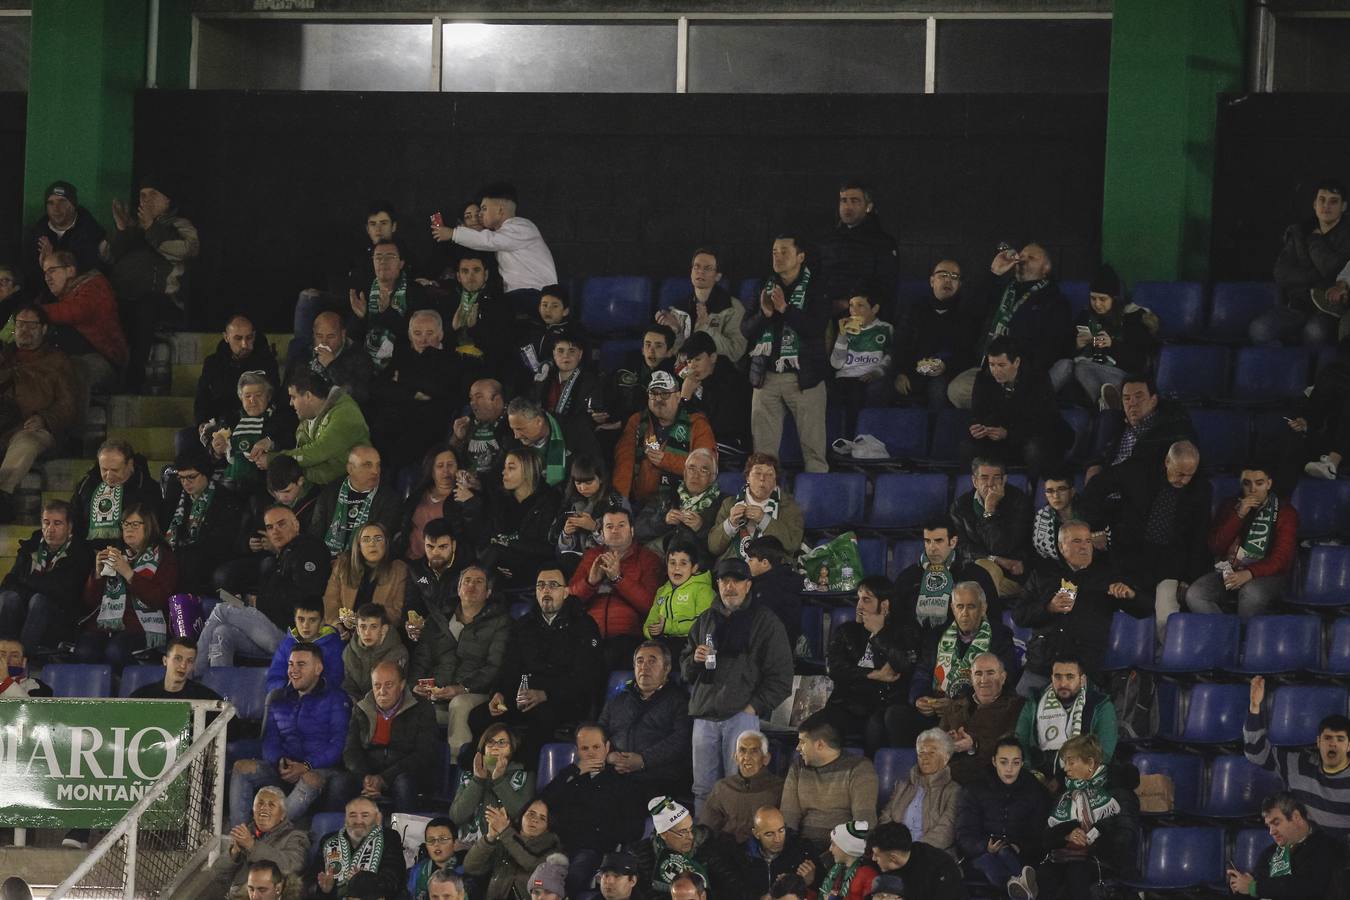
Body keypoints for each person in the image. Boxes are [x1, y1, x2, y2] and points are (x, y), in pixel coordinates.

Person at [684, 557, 794, 814]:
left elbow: (781, 675)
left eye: (736, 581)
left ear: (748, 585)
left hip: (740, 717)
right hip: (704, 715)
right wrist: (694, 660)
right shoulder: (704, 620)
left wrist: (753, 707)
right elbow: (685, 668)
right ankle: (705, 846)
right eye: (724, 580)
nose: (729, 587)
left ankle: (736, 846)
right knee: (703, 791)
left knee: (741, 787)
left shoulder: (766, 621)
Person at [474, 566, 605, 763]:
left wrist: (546, 694)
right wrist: (498, 693)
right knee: (479, 716)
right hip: (525, 696)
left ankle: (521, 775)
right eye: (541, 585)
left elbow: (586, 677)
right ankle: (482, 770)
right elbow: (510, 666)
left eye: (553, 585)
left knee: (541, 717)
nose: (546, 590)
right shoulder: (524, 625)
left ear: (566, 591)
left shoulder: (584, 625)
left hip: (565, 700)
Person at [1082, 441, 1210, 641]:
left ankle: (1165, 663)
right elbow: (1097, 485)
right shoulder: (1139, 471)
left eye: (1189, 475)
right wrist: (1096, 526)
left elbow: (1199, 536)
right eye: (1179, 473)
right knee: (1120, 610)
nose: (1184, 481)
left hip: (1168, 563)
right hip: (1129, 556)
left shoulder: (1200, 490)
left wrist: (1189, 577)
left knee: (1166, 615)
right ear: (1167, 461)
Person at [197, 505, 330, 673]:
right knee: (222, 633)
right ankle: (220, 691)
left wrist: (258, 601)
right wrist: (250, 600)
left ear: (296, 525)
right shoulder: (284, 555)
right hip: (270, 629)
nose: (275, 531)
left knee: (221, 610)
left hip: (291, 635)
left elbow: (304, 596)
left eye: (281, 524)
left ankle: (194, 670)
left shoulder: (308, 549)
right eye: (270, 527)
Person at [230, 642, 351, 826]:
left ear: (318, 668)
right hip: (284, 769)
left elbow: (338, 744)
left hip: (320, 771)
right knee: (241, 767)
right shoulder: (279, 697)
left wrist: (307, 765)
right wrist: (279, 761)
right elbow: (270, 740)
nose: (293, 670)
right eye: (290, 664)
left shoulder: (336, 698)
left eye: (301, 665)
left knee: (309, 778)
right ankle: (238, 836)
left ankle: (262, 833)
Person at [1014, 521, 1144, 692]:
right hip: (1042, 666)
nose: (1084, 547)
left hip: (1084, 670)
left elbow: (1144, 610)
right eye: (1077, 541)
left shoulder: (1106, 577)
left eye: (1088, 541)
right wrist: (1048, 608)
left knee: (1086, 715)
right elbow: (1019, 616)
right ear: (1061, 546)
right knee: (1019, 713)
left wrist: (1131, 595)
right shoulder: (1043, 574)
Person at [742, 234, 831, 472]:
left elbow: (815, 328)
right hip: (766, 377)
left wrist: (785, 309)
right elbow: (746, 329)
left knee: (814, 454)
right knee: (762, 456)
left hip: (804, 379)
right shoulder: (764, 285)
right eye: (774, 252)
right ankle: (764, 505)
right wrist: (765, 315)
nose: (778, 256)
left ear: (800, 257)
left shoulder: (816, 287)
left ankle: (816, 503)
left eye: (784, 251)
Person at [948, 242, 1071, 408]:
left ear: (1046, 268)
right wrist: (994, 273)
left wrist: (1017, 372)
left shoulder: (1055, 301)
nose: (1023, 260)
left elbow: (1052, 346)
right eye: (1022, 256)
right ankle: (1016, 405)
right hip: (988, 369)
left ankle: (1011, 404)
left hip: (1024, 373)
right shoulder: (1002, 289)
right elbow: (970, 310)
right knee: (956, 390)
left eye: (1032, 258)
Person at [893, 583, 1015, 749]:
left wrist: (956, 703)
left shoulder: (1000, 636)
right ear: (952, 608)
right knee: (893, 716)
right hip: (935, 708)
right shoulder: (937, 635)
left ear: (983, 608)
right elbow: (922, 672)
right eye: (960, 607)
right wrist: (919, 698)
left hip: (971, 711)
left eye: (971, 607)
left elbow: (1003, 680)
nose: (964, 613)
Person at [105, 175, 200, 388]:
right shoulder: (132, 227)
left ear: (167, 200)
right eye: (142, 195)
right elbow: (106, 255)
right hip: (124, 297)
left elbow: (188, 249)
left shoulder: (179, 225)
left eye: (152, 195)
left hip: (163, 302)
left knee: (145, 307)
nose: (145, 200)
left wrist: (151, 229)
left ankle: (134, 379)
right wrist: (121, 230)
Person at [409, 563, 510, 758]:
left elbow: (494, 667)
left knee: (459, 704)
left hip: (475, 693)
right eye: (467, 581)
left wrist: (462, 688)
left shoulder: (499, 622)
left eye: (479, 582)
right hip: (436, 694)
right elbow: (421, 659)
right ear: (458, 588)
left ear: (488, 592)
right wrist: (416, 685)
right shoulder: (438, 620)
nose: (471, 586)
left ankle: (457, 768)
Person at [1025, 734, 1139, 900]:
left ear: (1090, 764)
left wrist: (1091, 838)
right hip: (1067, 857)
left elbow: (1125, 837)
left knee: (1076, 874)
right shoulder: (1065, 794)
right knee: (1045, 874)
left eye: (1071, 762)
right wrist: (1067, 835)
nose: (1066, 769)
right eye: (1065, 763)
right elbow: (1046, 836)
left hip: (1102, 859)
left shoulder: (1118, 792)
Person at [539, 724, 647, 897]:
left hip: (592, 850)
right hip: (555, 845)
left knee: (568, 879)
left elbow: (634, 828)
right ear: (577, 751)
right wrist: (574, 771)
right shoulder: (569, 778)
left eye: (596, 747)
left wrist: (602, 831)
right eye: (584, 748)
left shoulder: (623, 783)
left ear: (607, 748)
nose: (590, 753)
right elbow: (542, 803)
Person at [1186, 464, 1298, 620]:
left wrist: (1250, 573)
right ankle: (1228, 636)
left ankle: (1246, 640)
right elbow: (1215, 546)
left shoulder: (1286, 512)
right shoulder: (1229, 505)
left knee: (1251, 593)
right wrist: (1238, 515)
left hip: (1269, 576)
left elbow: (1281, 559)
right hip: (1230, 570)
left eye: (1259, 483)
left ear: (1269, 484)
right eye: (1247, 483)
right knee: (1196, 594)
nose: (1252, 489)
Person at [1246, 674, 1350, 841]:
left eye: (1340, 739)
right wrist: (1255, 707)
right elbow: (1256, 753)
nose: (1333, 744)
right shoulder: (1297, 765)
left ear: (1348, 745)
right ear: (1318, 742)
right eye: (1328, 738)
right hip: (1311, 854)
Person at [77, 503, 177, 667]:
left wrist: (129, 574)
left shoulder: (164, 557)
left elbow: (158, 599)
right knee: (84, 651)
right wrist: (97, 573)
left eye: (135, 524)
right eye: (125, 524)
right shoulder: (116, 555)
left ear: (149, 527)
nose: (129, 529)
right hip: (106, 624)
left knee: (115, 651)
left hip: (141, 626)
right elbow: (90, 601)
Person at [825, 576, 917, 755]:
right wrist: (873, 674)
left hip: (882, 702)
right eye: (858, 599)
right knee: (818, 726)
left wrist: (879, 633)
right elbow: (834, 668)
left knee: (876, 726)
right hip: (847, 702)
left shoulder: (904, 630)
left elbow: (904, 666)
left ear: (884, 605)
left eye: (866, 599)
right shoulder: (847, 631)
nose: (859, 606)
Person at [0, 305, 76, 520]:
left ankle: (2, 493)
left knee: (26, 442)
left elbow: (68, 405)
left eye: (30, 324)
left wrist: (45, 418)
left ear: (43, 329)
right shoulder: (5, 356)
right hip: (4, 425)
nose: (24, 329)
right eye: (20, 324)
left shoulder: (57, 361)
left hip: (36, 428)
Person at [960, 337, 1071, 479]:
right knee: (967, 448)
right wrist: (977, 428)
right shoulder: (984, 378)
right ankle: (975, 492)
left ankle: (1035, 490)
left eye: (1001, 365)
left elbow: (1045, 421)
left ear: (1016, 362)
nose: (995, 371)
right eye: (992, 364)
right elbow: (977, 412)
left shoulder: (1037, 379)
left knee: (1035, 449)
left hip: (1030, 436)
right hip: (998, 439)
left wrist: (1008, 434)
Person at [569, 505, 664, 670]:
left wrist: (618, 579)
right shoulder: (592, 556)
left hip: (627, 637)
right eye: (609, 527)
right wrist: (590, 582)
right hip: (589, 633)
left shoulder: (647, 558)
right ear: (603, 533)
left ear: (632, 531)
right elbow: (569, 601)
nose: (615, 531)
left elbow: (650, 605)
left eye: (621, 525)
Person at [598, 640, 693, 799]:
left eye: (652, 661)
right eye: (640, 661)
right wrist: (609, 756)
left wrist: (643, 760)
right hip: (614, 773)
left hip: (657, 779)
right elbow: (600, 732)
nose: (644, 666)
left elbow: (681, 740)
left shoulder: (680, 701)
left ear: (667, 668)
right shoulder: (617, 701)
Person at [38, 248, 126, 421]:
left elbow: (76, 311)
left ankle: (75, 440)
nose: (47, 277)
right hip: (66, 359)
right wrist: (9, 332)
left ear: (70, 270)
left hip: (103, 360)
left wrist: (32, 312)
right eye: (45, 272)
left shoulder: (94, 285)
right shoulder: (56, 297)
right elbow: (22, 322)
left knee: (76, 369)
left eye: (52, 270)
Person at [1048, 265, 1154, 409]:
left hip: (1120, 377)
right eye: (1093, 298)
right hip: (1085, 378)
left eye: (1103, 299)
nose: (1097, 304)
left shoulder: (1132, 318)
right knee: (1064, 364)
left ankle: (1108, 404)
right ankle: (1039, 401)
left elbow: (1138, 363)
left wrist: (1112, 345)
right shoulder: (1086, 315)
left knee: (1082, 367)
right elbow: (1063, 353)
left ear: (1115, 299)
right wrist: (1076, 345)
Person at [955, 735, 1049, 894]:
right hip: (981, 853)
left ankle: (1019, 888)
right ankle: (1022, 887)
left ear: (1022, 763)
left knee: (1005, 853)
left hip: (1019, 854)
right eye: (1003, 762)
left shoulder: (1033, 790)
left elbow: (1039, 833)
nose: (1009, 769)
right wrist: (985, 846)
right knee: (989, 861)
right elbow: (965, 834)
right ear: (994, 761)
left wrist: (1019, 846)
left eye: (1016, 762)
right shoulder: (975, 789)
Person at [370, 309, 464, 469]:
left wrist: (403, 379)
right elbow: (379, 387)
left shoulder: (450, 358)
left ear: (440, 334)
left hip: (429, 422)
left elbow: (437, 389)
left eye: (429, 333)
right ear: (409, 334)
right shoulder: (401, 355)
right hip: (395, 417)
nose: (423, 339)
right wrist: (412, 393)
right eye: (417, 333)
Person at [1261, 179, 1350, 345]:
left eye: (1333, 201)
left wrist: (1315, 240)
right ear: (1314, 204)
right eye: (1321, 200)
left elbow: (1335, 270)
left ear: (1343, 207)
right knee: (1260, 330)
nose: (1326, 206)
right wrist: (1318, 279)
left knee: (1314, 332)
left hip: (1329, 309)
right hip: (1298, 304)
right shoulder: (1299, 231)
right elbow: (1281, 273)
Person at [338, 660, 436, 812]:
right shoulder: (361, 708)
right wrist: (366, 778)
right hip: (368, 772)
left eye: (389, 685)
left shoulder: (421, 709)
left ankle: (404, 833)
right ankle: (338, 832)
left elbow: (424, 753)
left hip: (404, 773)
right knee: (339, 783)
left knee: (403, 784)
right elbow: (351, 750)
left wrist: (384, 779)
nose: (382, 691)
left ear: (402, 685)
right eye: (377, 685)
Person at [461, 446, 562, 588]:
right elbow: (487, 536)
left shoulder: (550, 500)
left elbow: (547, 548)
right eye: (504, 467)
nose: (504, 472)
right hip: (498, 569)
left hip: (532, 571)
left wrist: (508, 544)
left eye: (511, 468)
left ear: (528, 471)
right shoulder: (501, 498)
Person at [0, 499, 92, 652]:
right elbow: (8, 583)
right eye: (46, 522)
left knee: (39, 601)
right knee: (8, 598)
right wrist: (37, 585)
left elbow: (62, 592)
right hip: (26, 613)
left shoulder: (80, 553)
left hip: (61, 620)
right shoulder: (30, 547)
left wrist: (27, 581)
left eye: (57, 523)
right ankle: (3, 655)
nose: (50, 529)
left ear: (69, 527)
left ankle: (23, 657)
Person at [613, 370, 716, 506]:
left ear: (678, 396)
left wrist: (666, 460)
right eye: (653, 394)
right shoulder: (637, 421)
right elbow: (624, 463)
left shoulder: (697, 424)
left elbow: (707, 468)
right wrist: (621, 501)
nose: (659, 399)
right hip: (642, 503)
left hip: (685, 503)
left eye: (665, 394)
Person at [440, 182, 557, 300]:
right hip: (520, 295)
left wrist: (453, 233)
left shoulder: (522, 226)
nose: (480, 214)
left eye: (484, 209)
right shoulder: (502, 235)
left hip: (537, 294)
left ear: (500, 210)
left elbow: (489, 241)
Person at [781, 711, 880, 850]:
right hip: (803, 848)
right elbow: (788, 817)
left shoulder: (860, 768)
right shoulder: (798, 767)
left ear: (820, 745)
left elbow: (864, 823)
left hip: (842, 850)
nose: (797, 748)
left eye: (802, 742)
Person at [893, 259, 979, 410]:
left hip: (946, 373)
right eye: (943, 275)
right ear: (932, 281)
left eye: (954, 277)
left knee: (938, 390)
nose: (948, 280)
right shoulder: (914, 310)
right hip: (912, 369)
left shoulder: (966, 316)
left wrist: (946, 366)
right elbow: (900, 345)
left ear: (959, 284)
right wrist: (900, 373)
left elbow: (967, 354)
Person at [1014, 654, 1117, 779]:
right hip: (1039, 776)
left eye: (1070, 677)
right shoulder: (1035, 702)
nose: (1063, 683)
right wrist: (1032, 774)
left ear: (1082, 679)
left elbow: (1104, 754)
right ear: (1051, 678)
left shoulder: (1100, 706)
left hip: (1083, 778)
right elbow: (1020, 742)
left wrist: (1067, 777)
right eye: (1058, 677)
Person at [892, 519, 997, 642]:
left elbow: (993, 619)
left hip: (964, 649)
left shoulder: (975, 575)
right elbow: (896, 619)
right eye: (927, 541)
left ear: (952, 542)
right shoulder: (909, 577)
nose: (932, 548)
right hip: (918, 650)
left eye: (938, 541)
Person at [161, 447, 244, 594]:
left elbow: (222, 542)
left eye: (191, 477)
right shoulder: (175, 495)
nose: (185, 483)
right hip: (179, 554)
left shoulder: (225, 499)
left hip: (208, 558)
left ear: (205, 473)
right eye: (181, 478)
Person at [1226, 792, 1338, 899]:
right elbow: (1257, 888)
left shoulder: (1324, 846)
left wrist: (1254, 887)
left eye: (1276, 823)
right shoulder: (1270, 853)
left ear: (1296, 817)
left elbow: (1307, 888)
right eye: (1269, 826)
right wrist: (1239, 888)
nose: (1271, 832)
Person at [346, 239, 435, 374]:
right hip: (365, 364)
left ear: (401, 263)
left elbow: (416, 336)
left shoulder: (416, 292)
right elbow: (353, 336)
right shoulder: (365, 290)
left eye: (390, 256)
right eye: (378, 257)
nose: (383, 261)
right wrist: (360, 318)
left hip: (403, 365)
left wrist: (387, 313)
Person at [948, 459, 1032, 601]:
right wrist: (994, 559)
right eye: (984, 477)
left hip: (1012, 573)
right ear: (974, 481)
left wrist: (989, 510)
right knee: (984, 568)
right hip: (976, 569)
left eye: (996, 478)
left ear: (1004, 479)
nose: (990, 483)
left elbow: (1000, 547)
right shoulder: (960, 506)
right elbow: (961, 547)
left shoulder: (1019, 502)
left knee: (985, 575)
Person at [205, 785, 310, 899]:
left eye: (271, 804)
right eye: (260, 803)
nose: (264, 808)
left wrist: (252, 846)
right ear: (253, 810)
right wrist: (233, 853)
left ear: (283, 815)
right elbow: (217, 876)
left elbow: (292, 866)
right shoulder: (246, 832)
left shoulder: (295, 836)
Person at [273, 368, 371, 487]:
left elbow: (318, 452)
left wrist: (275, 459)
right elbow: (304, 456)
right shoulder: (305, 422)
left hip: (354, 488)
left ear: (308, 396)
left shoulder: (346, 413)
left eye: (293, 397)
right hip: (324, 489)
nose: (290, 403)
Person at [204, 370, 296, 497]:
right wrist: (216, 452)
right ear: (240, 397)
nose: (252, 401)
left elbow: (290, 443)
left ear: (268, 396)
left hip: (264, 487)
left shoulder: (280, 419)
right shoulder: (230, 420)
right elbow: (213, 461)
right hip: (229, 484)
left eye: (258, 395)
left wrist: (270, 443)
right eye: (247, 396)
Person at [936, 653, 1025, 786]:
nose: (984, 680)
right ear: (971, 678)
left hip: (988, 780)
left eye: (990, 673)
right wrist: (949, 741)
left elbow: (1013, 746)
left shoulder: (1017, 706)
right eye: (978, 673)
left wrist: (973, 745)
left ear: (1003, 677)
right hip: (948, 777)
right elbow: (938, 740)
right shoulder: (956, 704)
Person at [633, 795, 746, 899]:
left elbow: (734, 888)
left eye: (691, 829)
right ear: (663, 834)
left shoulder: (709, 847)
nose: (691, 836)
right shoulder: (643, 855)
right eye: (683, 832)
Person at [1088, 374, 1195, 481]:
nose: (1132, 403)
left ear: (1153, 401)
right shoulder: (1116, 428)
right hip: (1108, 489)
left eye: (1139, 397)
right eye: (1127, 399)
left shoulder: (1168, 429)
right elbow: (1098, 462)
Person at [193, 314, 279, 446]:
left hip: (257, 425)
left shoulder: (266, 363)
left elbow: (274, 397)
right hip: (220, 425)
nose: (244, 344)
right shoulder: (213, 363)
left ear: (254, 336)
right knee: (185, 438)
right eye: (238, 338)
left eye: (249, 338)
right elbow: (202, 398)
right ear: (226, 337)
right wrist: (202, 423)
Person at [817, 181, 900, 316]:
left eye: (855, 201)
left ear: (868, 207)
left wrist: (849, 303)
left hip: (864, 319)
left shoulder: (883, 243)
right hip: (825, 314)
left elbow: (885, 285)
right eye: (844, 201)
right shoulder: (829, 240)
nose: (847, 206)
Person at [708, 452, 805, 564]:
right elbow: (713, 547)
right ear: (747, 477)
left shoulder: (789, 506)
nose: (762, 478)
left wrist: (765, 520)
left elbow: (792, 544)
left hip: (771, 567)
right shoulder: (730, 503)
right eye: (757, 473)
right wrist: (730, 523)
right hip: (735, 568)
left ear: (775, 481)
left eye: (769, 474)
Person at [450, 722, 536, 847]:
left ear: (512, 747)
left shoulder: (524, 776)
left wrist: (499, 780)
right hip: (469, 845)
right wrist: (478, 781)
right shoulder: (470, 776)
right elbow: (457, 816)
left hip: (505, 846)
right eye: (490, 742)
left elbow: (521, 817)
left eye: (502, 743)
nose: (495, 747)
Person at [878, 729, 962, 856]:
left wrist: (912, 852)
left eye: (932, 753)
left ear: (946, 758)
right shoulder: (903, 785)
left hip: (931, 855)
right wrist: (891, 845)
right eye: (921, 753)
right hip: (895, 852)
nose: (925, 758)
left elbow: (946, 831)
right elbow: (886, 817)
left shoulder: (953, 790)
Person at [656, 247, 747, 363]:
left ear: (718, 276)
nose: (700, 272)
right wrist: (677, 330)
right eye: (696, 267)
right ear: (691, 272)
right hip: (686, 372)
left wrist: (706, 328)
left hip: (717, 371)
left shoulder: (732, 308)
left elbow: (735, 352)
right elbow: (676, 355)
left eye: (707, 268)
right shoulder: (678, 309)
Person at [308, 445, 401, 559]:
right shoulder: (331, 491)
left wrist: (347, 561)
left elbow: (381, 542)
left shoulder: (389, 499)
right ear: (350, 469)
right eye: (367, 465)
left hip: (365, 562)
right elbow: (315, 532)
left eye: (378, 465)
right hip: (326, 559)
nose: (375, 471)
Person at [20, 180, 107, 298]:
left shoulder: (92, 234)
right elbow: (28, 280)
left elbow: (96, 274)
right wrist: (42, 266)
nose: (56, 208)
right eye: (51, 203)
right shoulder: (35, 235)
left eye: (62, 201)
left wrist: (53, 261)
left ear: (73, 205)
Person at [307, 796, 406, 899]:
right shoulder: (328, 841)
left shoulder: (389, 838)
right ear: (345, 819)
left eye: (365, 815)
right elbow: (311, 882)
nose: (358, 821)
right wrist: (325, 889)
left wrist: (362, 881)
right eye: (352, 815)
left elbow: (394, 881)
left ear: (377, 818)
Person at [324, 524, 410, 641]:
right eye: (366, 539)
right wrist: (338, 625)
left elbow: (397, 612)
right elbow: (331, 600)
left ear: (386, 543)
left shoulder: (399, 569)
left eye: (378, 539)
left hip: (381, 637)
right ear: (359, 546)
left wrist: (363, 625)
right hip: (344, 634)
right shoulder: (343, 564)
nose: (372, 544)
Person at [463, 798, 560, 900]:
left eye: (542, 818)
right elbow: (471, 867)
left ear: (547, 827)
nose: (535, 820)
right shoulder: (505, 839)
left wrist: (505, 832)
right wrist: (490, 837)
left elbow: (530, 862)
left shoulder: (553, 851)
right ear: (521, 816)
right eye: (531, 814)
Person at [676, 331, 752, 460]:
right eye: (689, 362)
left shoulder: (732, 381)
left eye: (698, 359)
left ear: (713, 357)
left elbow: (715, 426)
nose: (692, 366)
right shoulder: (695, 383)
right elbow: (680, 428)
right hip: (708, 442)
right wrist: (685, 397)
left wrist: (685, 399)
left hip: (732, 443)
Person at [633, 446, 723, 555]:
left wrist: (701, 528)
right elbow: (637, 530)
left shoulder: (722, 504)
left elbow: (720, 548)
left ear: (713, 477)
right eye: (691, 468)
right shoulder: (667, 496)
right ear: (684, 473)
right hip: (659, 560)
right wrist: (663, 521)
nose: (696, 475)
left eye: (703, 470)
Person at [71, 439, 160, 547]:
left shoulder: (147, 488)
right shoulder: (86, 485)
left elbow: (154, 531)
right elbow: (75, 521)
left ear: (130, 464)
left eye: (115, 470)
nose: (109, 476)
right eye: (104, 469)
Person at [830, 284, 894, 435]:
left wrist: (877, 372)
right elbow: (836, 363)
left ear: (875, 309)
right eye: (851, 305)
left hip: (868, 377)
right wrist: (842, 335)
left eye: (861, 306)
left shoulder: (885, 328)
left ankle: (854, 439)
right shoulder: (844, 329)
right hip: (844, 377)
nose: (854, 310)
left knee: (858, 393)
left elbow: (891, 356)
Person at [701, 731, 786, 844]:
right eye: (742, 750)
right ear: (736, 757)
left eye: (754, 751)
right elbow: (707, 828)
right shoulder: (722, 788)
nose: (747, 757)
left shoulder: (780, 788)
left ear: (766, 758)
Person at [642, 534, 714, 663]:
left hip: (690, 643)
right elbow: (651, 620)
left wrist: (668, 626)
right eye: (672, 563)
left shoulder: (703, 590)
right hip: (663, 641)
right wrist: (652, 632)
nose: (676, 568)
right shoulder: (662, 591)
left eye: (683, 563)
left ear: (694, 567)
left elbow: (703, 624)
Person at [445, 249, 514, 380]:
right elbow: (439, 340)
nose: (471, 277)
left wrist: (475, 329)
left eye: (476, 270)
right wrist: (452, 328)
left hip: (486, 368)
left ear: (486, 275)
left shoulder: (500, 303)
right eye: (465, 271)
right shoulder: (449, 301)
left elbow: (502, 346)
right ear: (458, 276)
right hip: (452, 366)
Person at [397, 447, 472, 562]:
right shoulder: (418, 494)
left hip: (443, 563)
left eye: (450, 465)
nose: (446, 471)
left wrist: (470, 502)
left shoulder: (464, 496)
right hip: (410, 559)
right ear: (431, 470)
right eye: (440, 466)